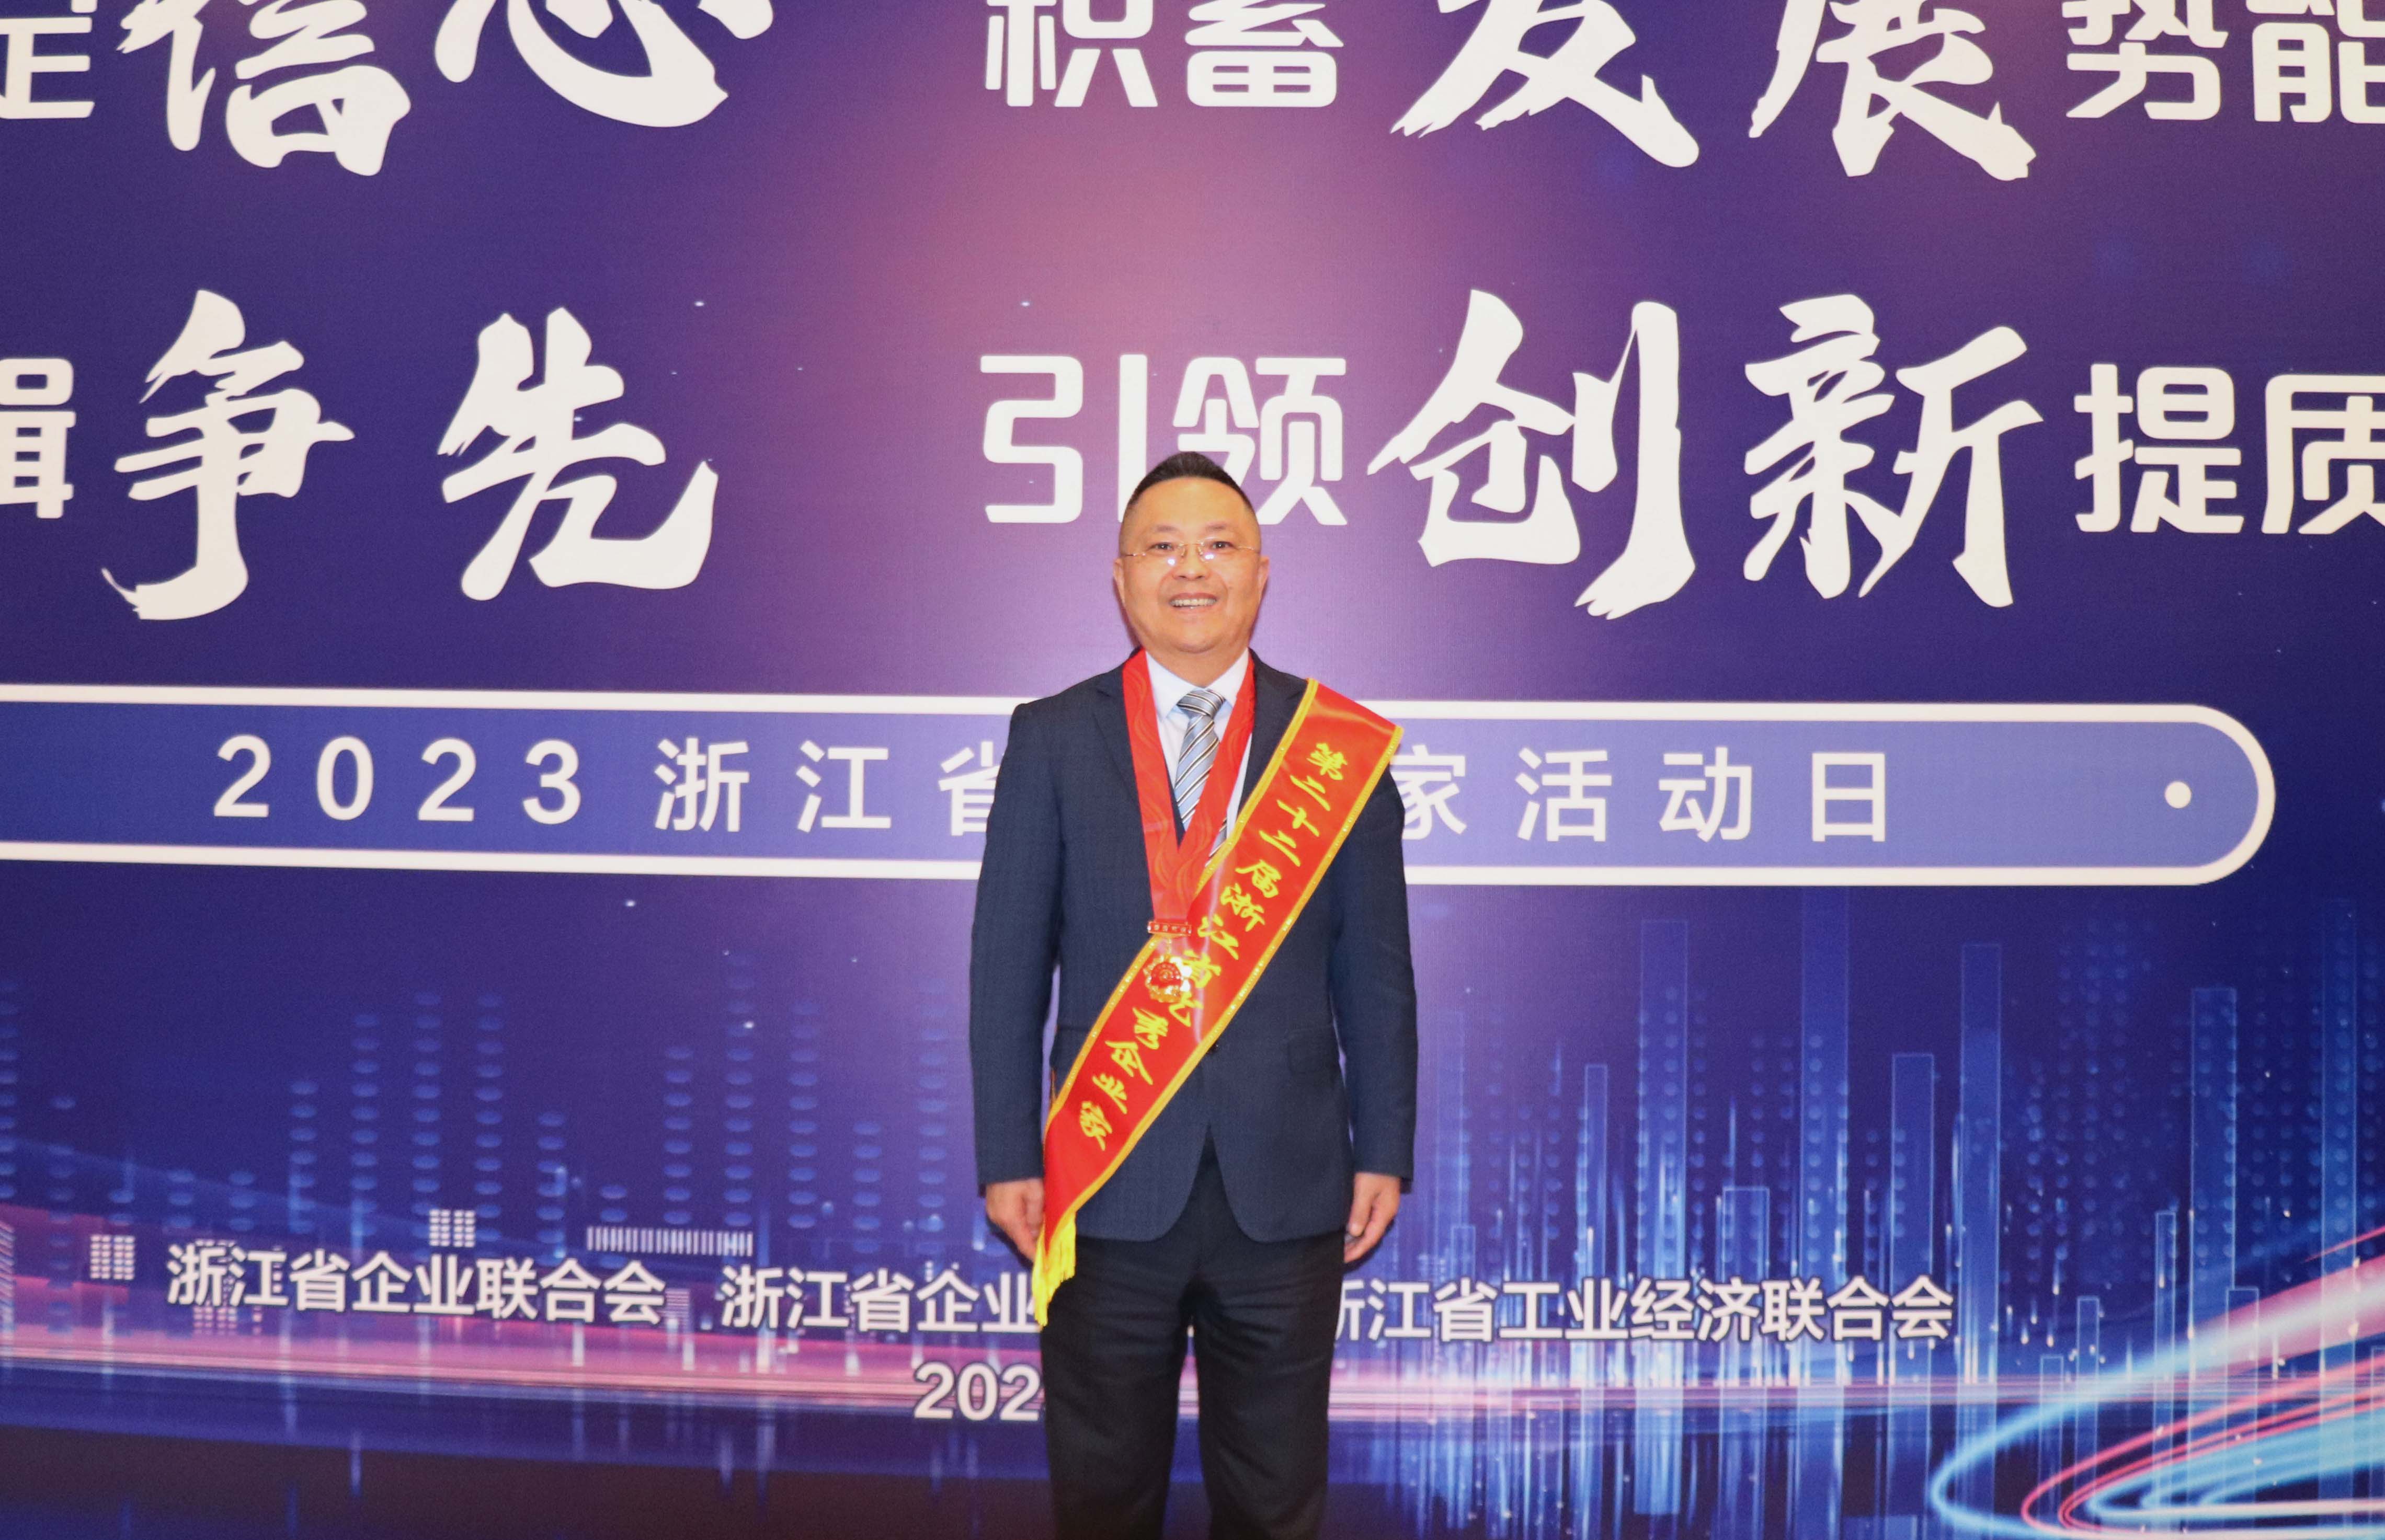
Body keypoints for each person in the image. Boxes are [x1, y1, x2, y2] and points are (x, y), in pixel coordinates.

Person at [968, 450, 1418, 1540]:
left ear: (1261, 573)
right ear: (1121, 577)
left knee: (1273, 1500)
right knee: (1102, 1497)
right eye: (1161, 547)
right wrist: (1007, 1155)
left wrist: (1384, 1148)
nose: (1191, 569)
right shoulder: (1052, 736)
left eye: (1218, 546)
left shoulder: (1335, 747)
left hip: (1287, 1185)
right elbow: (1006, 965)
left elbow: (1376, 973)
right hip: (1107, 1178)